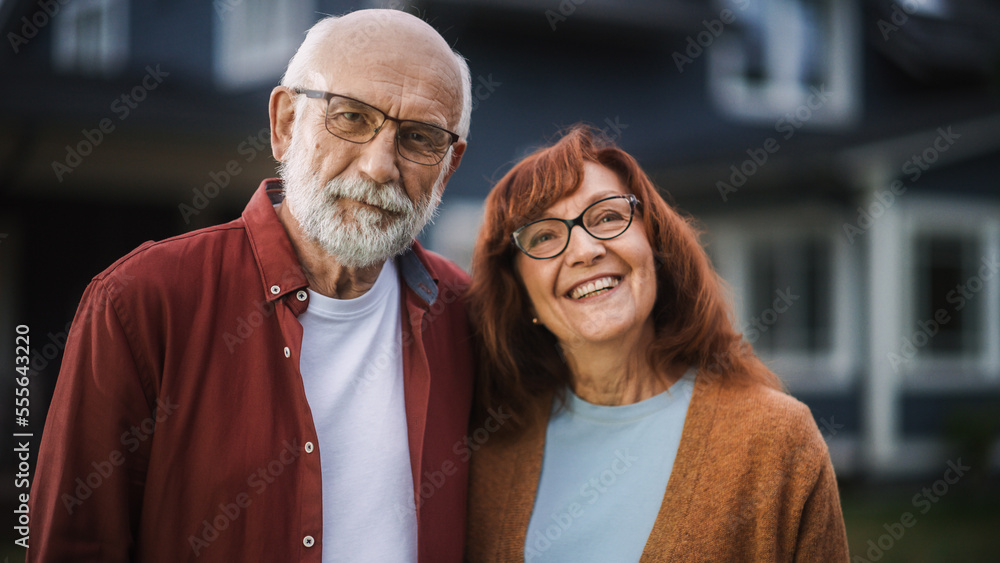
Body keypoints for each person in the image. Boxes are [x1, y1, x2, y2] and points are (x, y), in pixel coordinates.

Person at [28, 10, 475, 563]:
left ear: (449, 166)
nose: (380, 166)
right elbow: (76, 546)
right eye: (352, 118)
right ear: (286, 123)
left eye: (419, 137)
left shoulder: (471, 319)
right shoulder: (142, 302)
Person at [465, 125, 849, 562]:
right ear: (518, 290)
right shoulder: (492, 448)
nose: (585, 250)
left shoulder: (777, 439)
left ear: (655, 245)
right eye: (544, 236)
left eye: (608, 216)